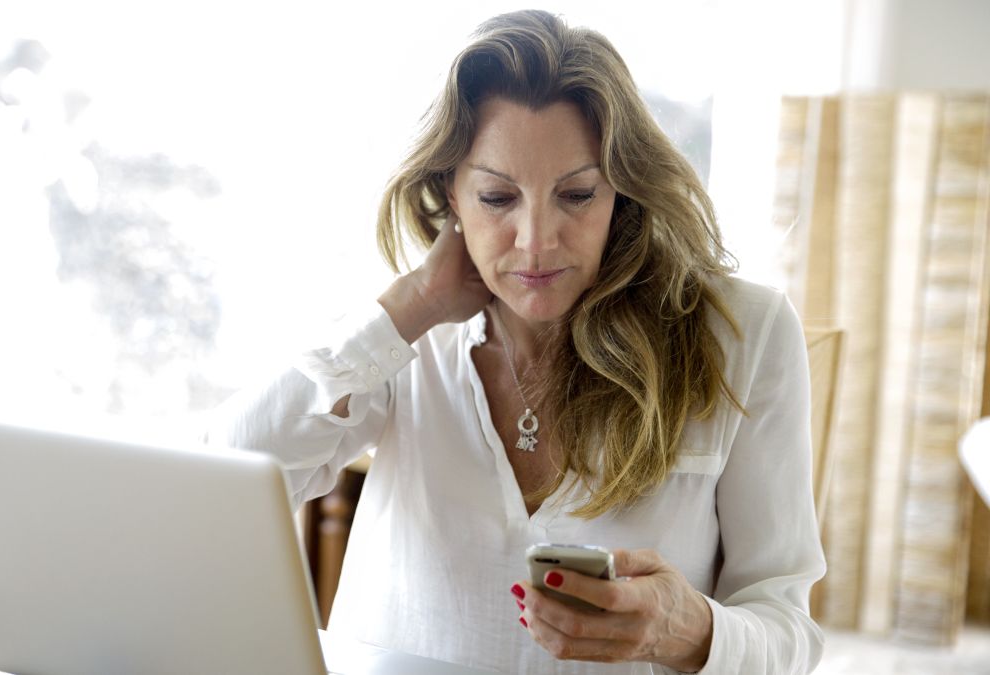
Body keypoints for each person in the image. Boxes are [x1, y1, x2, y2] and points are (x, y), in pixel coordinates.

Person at [207, 9, 824, 674]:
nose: (536, 241)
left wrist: (684, 630)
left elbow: (787, 625)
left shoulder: (744, 334)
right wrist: (411, 309)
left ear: (622, 186)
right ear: (452, 189)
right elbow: (220, 487)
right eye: (498, 197)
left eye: (577, 195)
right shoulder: (402, 331)